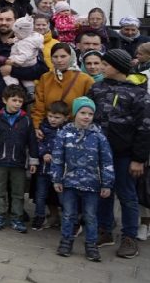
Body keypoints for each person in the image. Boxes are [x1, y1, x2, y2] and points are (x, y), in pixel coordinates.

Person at [87, 49, 149, 257]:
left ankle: (129, 236)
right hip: (100, 153)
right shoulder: (96, 88)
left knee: (127, 195)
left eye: (105, 64)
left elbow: (144, 127)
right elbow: (87, 116)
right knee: (104, 191)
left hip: (125, 155)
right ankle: (105, 229)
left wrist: (139, 159)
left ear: (119, 68)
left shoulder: (138, 93)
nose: (101, 67)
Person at [53, 97, 115, 262]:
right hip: (69, 183)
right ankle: (66, 242)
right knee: (68, 215)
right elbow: (57, 158)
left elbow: (107, 161)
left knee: (90, 216)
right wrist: (57, 179)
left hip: (92, 184)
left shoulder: (99, 136)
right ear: (75, 114)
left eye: (90, 113)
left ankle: (91, 245)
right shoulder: (64, 134)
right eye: (83, 113)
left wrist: (107, 183)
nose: (86, 116)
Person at [0, 84, 38, 233]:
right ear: (5, 100)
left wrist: (33, 160)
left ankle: (17, 217)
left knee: (18, 193)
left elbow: (32, 142)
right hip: (0, 161)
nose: (17, 103)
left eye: (20, 101)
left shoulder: (26, 120)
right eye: (14, 100)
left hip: (19, 162)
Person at [31, 43, 94, 132]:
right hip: (48, 129)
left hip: (76, 130)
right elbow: (39, 106)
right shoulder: (45, 78)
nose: (59, 60)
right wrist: (36, 126)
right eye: (55, 57)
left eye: (63, 56)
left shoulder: (85, 80)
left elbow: (89, 108)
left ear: (71, 56)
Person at [33, 100, 69, 231]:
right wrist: (44, 153)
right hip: (43, 169)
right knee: (40, 195)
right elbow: (37, 142)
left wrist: (58, 156)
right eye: (50, 116)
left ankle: (68, 221)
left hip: (60, 171)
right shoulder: (42, 127)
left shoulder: (67, 130)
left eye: (57, 117)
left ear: (65, 118)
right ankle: (39, 217)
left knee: (63, 197)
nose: (53, 120)